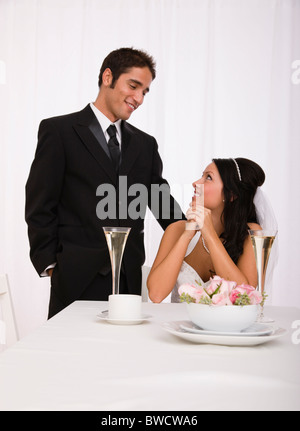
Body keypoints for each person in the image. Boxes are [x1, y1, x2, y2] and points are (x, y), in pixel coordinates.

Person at [25, 47, 184, 318]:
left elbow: (164, 207)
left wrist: (211, 228)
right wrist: (52, 265)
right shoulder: (59, 131)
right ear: (108, 77)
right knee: (72, 357)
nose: (139, 98)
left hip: (128, 280)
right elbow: (40, 203)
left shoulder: (145, 145)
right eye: (134, 86)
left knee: (122, 359)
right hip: (75, 278)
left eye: (145, 91)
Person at [147, 157, 268, 303]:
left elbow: (244, 297)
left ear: (232, 195)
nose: (196, 183)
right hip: (180, 324)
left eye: (208, 178)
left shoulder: (252, 234)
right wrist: (187, 235)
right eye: (202, 176)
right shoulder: (176, 229)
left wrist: (209, 234)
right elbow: (156, 294)